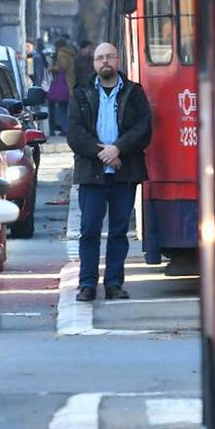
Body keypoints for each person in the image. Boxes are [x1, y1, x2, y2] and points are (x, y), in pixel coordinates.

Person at [66, 42, 152, 301]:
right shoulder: (81, 94)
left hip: (124, 172)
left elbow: (143, 129)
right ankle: (87, 285)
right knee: (90, 229)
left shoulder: (134, 93)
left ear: (118, 60)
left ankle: (114, 283)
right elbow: (75, 133)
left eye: (109, 57)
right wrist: (102, 152)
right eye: (100, 58)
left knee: (118, 231)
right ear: (94, 63)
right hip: (91, 172)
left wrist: (118, 149)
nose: (105, 62)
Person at [47, 39, 73, 134]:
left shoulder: (61, 54)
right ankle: (65, 127)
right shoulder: (70, 54)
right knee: (65, 108)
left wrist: (52, 69)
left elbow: (63, 67)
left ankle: (63, 128)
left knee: (60, 107)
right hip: (69, 83)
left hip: (62, 84)